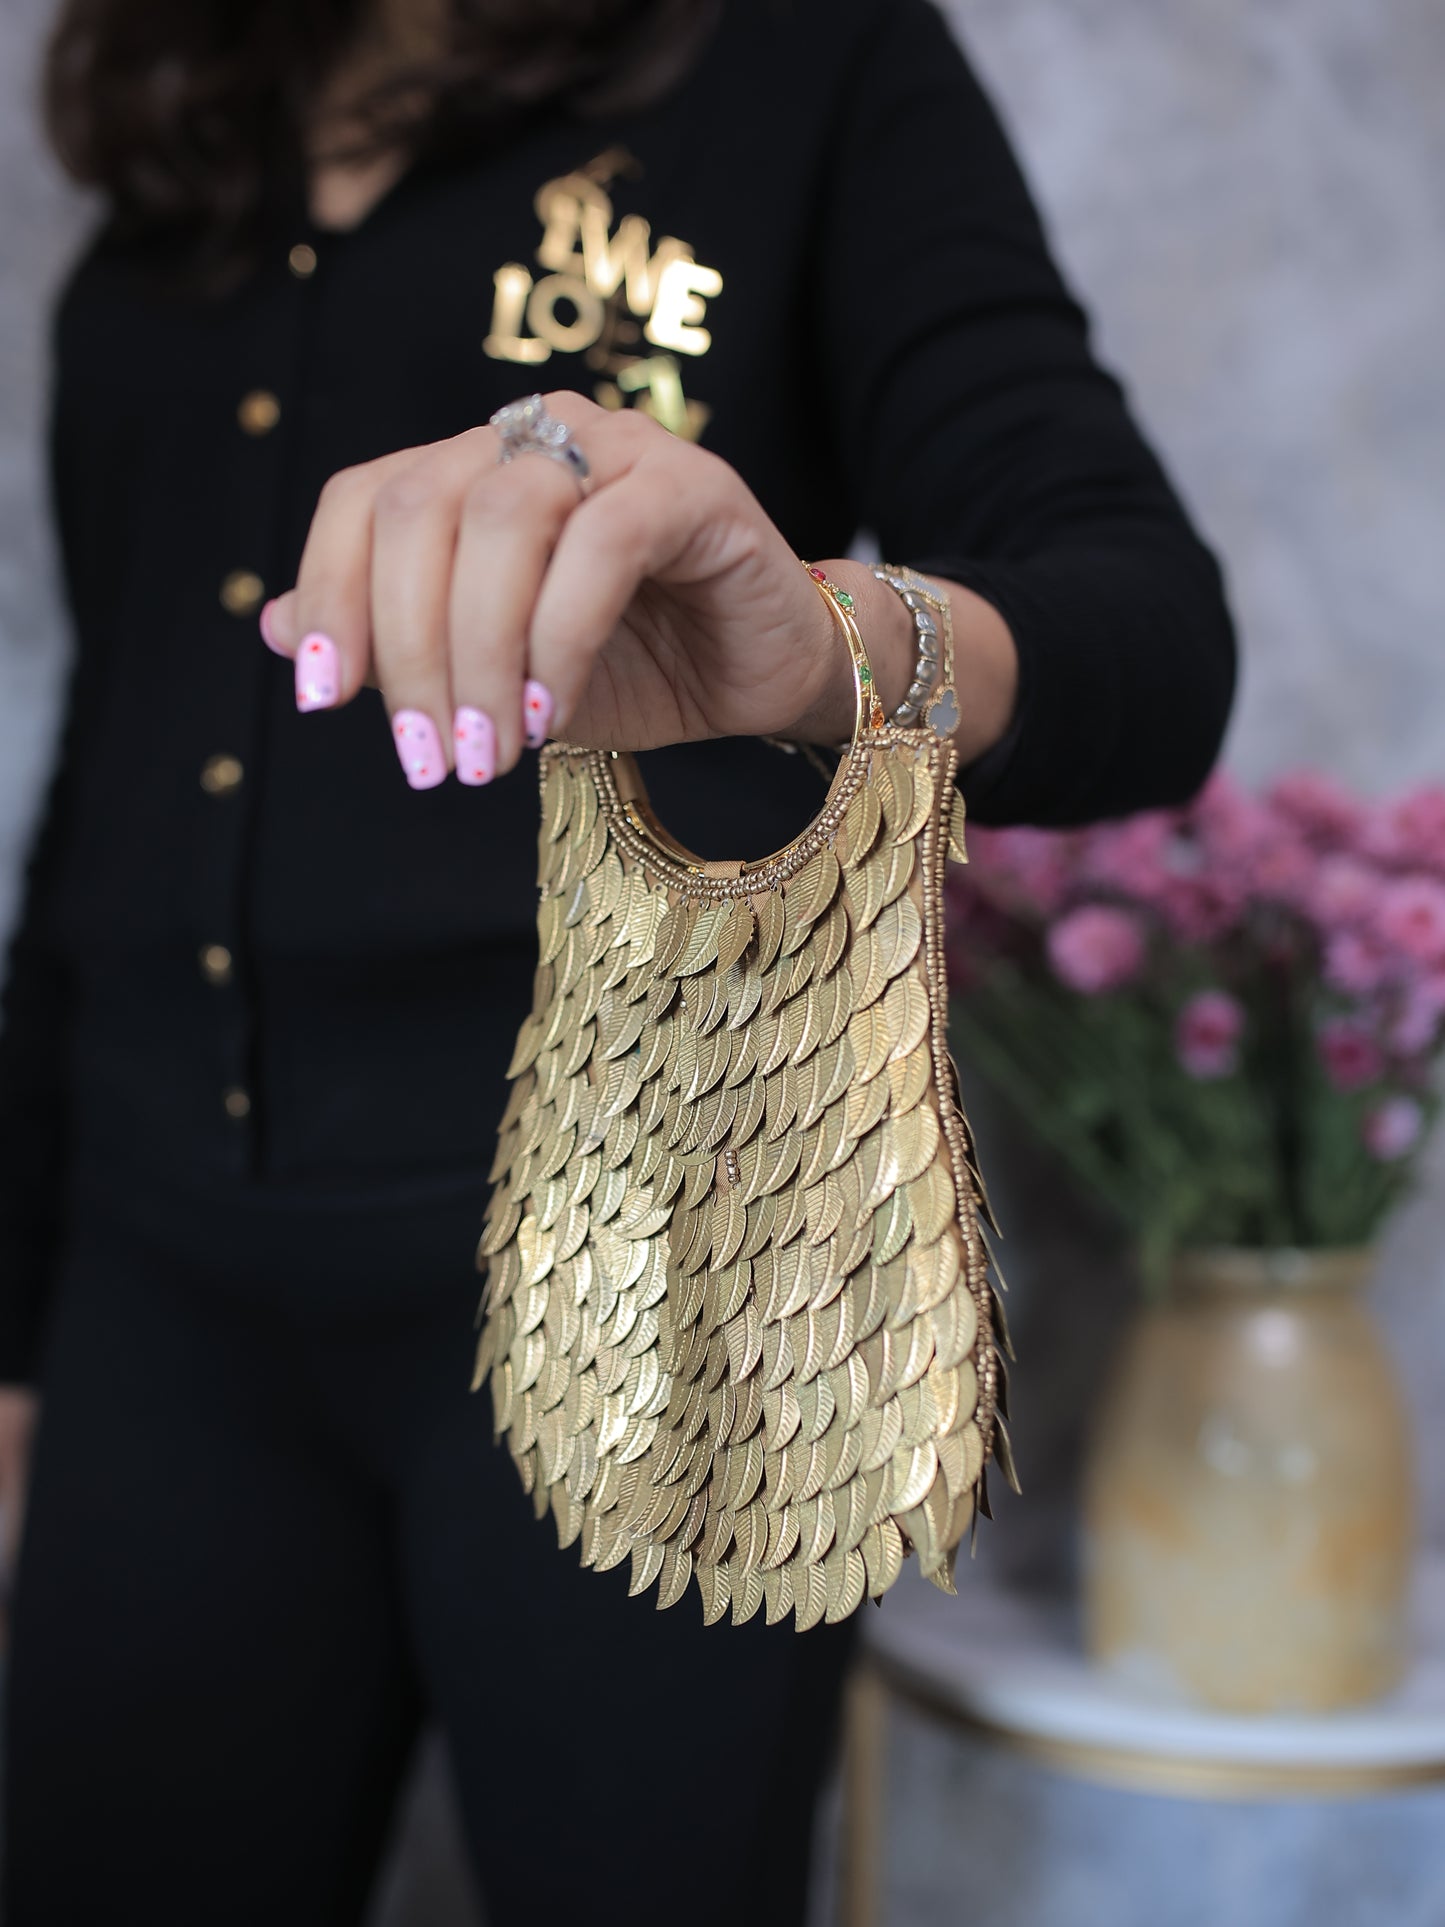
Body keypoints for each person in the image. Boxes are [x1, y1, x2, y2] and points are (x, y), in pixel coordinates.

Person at [0, 0, 1236, 1920]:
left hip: (668, 1267)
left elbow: (1148, 636)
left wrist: (822, 644)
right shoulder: (199, 133)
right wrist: (14, 1321)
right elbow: (118, 766)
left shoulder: (805, 56)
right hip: (166, 1276)